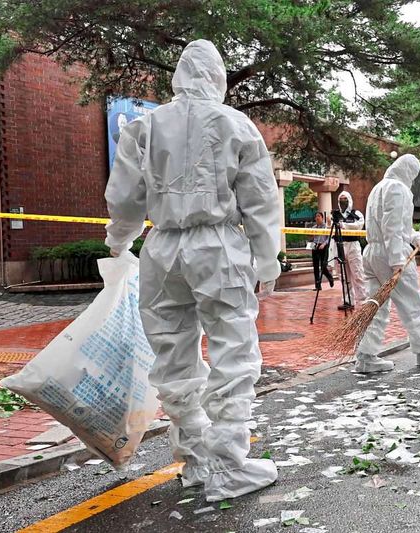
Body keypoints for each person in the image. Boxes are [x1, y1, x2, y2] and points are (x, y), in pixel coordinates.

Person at [104, 40, 280, 501]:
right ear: (217, 77)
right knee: (233, 351)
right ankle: (229, 464)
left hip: (160, 248)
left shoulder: (145, 125)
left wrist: (119, 243)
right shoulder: (235, 123)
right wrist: (268, 255)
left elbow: (124, 197)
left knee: (172, 354)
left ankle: (197, 459)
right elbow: (260, 198)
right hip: (217, 245)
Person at [354, 154, 420, 373]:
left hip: (373, 253)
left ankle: (365, 356)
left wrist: (415, 237)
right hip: (390, 254)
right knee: (411, 303)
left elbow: (398, 227)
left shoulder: (379, 188)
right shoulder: (398, 189)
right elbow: (392, 226)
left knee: (375, 306)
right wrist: (397, 259)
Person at [336, 191, 368, 304]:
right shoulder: (336, 215)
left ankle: (362, 298)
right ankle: (347, 299)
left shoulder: (356, 214)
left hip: (353, 245)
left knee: (357, 272)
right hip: (339, 245)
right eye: (341, 199)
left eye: (345, 199)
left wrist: (344, 225)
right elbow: (330, 227)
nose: (343, 201)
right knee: (343, 275)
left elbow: (359, 225)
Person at [310, 212, 334, 290]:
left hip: (323, 247)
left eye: (319, 216)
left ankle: (330, 277)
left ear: (322, 218)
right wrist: (310, 237)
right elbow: (311, 238)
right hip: (315, 247)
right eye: (316, 216)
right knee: (315, 267)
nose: (317, 218)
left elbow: (329, 238)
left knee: (323, 266)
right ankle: (317, 286)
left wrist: (324, 244)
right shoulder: (313, 227)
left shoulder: (326, 227)